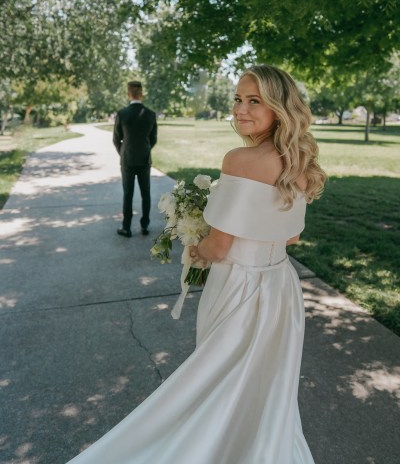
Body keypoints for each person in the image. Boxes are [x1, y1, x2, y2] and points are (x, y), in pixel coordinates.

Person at [67, 65, 326, 464]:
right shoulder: (300, 163)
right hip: (281, 289)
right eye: (238, 99)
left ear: (279, 107)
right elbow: (290, 237)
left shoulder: (240, 159)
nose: (240, 110)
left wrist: (194, 246)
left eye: (254, 101)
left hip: (238, 288)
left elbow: (219, 247)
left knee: (213, 381)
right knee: (266, 388)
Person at [113, 81, 157, 237]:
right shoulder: (150, 114)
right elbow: (153, 139)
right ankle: (145, 226)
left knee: (128, 194)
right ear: (141, 93)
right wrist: (144, 150)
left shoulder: (122, 113)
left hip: (128, 161)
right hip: (144, 159)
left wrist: (124, 152)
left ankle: (127, 227)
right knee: (146, 193)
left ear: (129, 94)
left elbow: (116, 139)